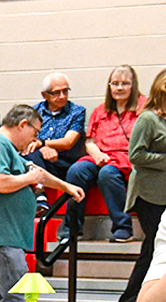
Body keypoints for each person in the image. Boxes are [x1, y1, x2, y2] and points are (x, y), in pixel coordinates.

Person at [0, 105, 83, 302]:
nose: (35, 138)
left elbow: (37, 172)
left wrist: (66, 186)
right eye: (35, 132)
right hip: (2, 237)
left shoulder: (5, 148)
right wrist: (29, 180)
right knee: (17, 297)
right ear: (23, 125)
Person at [117, 68, 166, 302]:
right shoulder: (148, 119)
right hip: (149, 195)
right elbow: (135, 156)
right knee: (152, 248)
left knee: (152, 249)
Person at [27, 73, 99, 235]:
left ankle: (71, 230)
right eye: (56, 92)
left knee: (77, 171)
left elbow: (68, 142)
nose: (62, 96)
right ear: (44, 95)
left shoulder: (77, 111)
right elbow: (28, 140)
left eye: (65, 91)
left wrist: (44, 143)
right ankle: (40, 198)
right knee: (27, 153)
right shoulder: (34, 112)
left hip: (67, 161)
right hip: (42, 161)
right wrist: (41, 148)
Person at [87, 65, 143, 240]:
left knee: (107, 174)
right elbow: (89, 140)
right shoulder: (100, 110)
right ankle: (72, 228)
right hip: (100, 155)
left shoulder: (144, 107)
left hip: (126, 158)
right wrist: (97, 155)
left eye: (125, 83)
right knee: (76, 172)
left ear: (133, 86)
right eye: (115, 83)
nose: (119, 88)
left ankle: (123, 228)